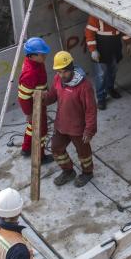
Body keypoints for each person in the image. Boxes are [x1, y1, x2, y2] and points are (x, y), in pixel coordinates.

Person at [44, 51, 98, 188]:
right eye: (58, 72)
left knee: (83, 153)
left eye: (64, 72)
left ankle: (87, 173)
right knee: (56, 148)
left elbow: (91, 110)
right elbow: (52, 96)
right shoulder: (58, 79)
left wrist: (89, 130)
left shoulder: (85, 87)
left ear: (71, 68)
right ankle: (68, 171)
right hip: (62, 125)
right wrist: (43, 99)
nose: (61, 76)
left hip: (78, 129)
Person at [85, 15, 131, 110]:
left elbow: (125, 29)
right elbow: (89, 32)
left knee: (113, 70)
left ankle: (110, 88)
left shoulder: (119, 14)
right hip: (101, 49)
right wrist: (93, 50)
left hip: (115, 47)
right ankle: (101, 98)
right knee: (101, 75)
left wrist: (129, 43)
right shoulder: (95, 15)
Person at [17, 37, 53, 164]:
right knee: (41, 130)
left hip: (38, 101)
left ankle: (26, 148)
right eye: (42, 54)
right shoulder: (30, 73)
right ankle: (40, 156)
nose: (45, 56)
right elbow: (23, 97)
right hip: (35, 106)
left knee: (31, 126)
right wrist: (30, 113)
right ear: (31, 56)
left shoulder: (36, 62)